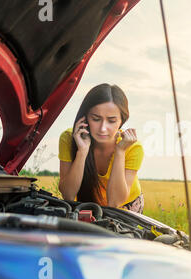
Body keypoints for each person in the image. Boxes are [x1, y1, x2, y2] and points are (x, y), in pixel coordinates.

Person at [58, 83, 144, 213]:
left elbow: (114, 202)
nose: (103, 128)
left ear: (122, 121)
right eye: (96, 119)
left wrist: (120, 151)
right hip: (90, 206)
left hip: (126, 208)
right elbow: (68, 195)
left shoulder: (133, 147)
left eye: (111, 121)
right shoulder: (69, 139)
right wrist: (82, 152)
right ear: (85, 117)